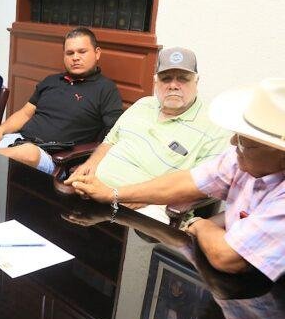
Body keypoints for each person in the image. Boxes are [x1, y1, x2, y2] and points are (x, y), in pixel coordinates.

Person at [66, 78, 285, 283]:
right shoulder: (239, 160)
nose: (233, 142)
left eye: (246, 142)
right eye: (238, 134)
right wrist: (113, 194)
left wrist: (198, 224)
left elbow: (226, 258)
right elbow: (188, 182)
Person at [69, 47, 230, 223]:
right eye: (166, 78)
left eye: (183, 78)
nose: (173, 85)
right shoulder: (142, 105)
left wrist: (136, 196)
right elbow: (110, 141)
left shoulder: (214, 127)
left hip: (146, 207)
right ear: (155, 82)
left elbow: (201, 185)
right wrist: (89, 166)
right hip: (95, 193)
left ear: (196, 82)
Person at [0, 27, 123, 173]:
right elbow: (25, 113)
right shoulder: (51, 81)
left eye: (82, 52)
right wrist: (0, 130)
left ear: (97, 53)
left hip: (51, 156)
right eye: (70, 53)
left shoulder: (106, 89)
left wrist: (91, 164)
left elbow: (114, 134)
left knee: (25, 153)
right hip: (17, 140)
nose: (75, 57)